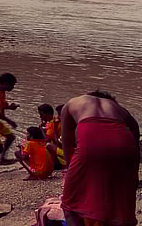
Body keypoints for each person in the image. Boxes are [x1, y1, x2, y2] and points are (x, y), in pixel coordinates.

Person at [60, 91, 140, 226]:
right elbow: (135, 134)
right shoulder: (119, 109)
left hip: (90, 142)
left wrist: (70, 172)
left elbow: (67, 144)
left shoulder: (73, 102)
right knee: (121, 203)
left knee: (70, 205)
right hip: (125, 145)